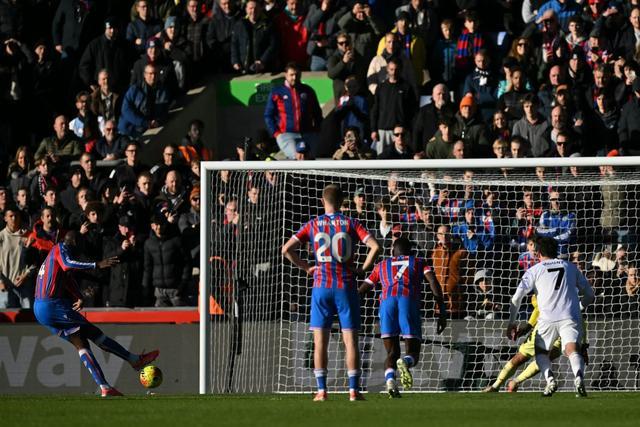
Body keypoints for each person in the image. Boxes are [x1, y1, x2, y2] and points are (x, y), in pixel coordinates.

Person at [281, 184, 380, 401]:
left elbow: (286, 249)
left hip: (321, 287)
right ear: (343, 202)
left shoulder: (313, 224)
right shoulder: (351, 223)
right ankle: (353, 391)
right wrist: (363, 269)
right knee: (351, 341)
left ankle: (321, 391)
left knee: (320, 342)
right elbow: (375, 247)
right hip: (346, 286)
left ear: (322, 201)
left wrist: (306, 268)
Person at [33, 231, 159, 397]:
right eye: (82, 243)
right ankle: (134, 360)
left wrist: (78, 295)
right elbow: (68, 265)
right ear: (75, 242)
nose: (83, 247)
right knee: (93, 332)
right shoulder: (61, 248)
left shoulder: (55, 254)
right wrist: (97, 264)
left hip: (40, 308)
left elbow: (66, 277)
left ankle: (105, 387)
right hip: (51, 305)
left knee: (81, 342)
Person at [359, 237, 447, 398]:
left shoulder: (381, 265)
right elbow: (433, 281)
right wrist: (441, 309)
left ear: (393, 250)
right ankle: (405, 362)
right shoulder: (418, 262)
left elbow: (364, 288)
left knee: (392, 352)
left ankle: (390, 381)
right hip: (408, 301)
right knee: (413, 352)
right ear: (411, 251)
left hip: (386, 304)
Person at [506, 237, 594, 397]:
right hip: (569, 316)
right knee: (572, 349)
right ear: (556, 251)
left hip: (546, 319)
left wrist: (512, 322)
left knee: (541, 353)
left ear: (538, 253)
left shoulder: (534, 270)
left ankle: (550, 379)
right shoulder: (570, 267)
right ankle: (579, 376)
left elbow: (516, 298)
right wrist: (578, 307)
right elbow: (590, 295)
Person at [264, 62, 323, 159]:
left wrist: (316, 129)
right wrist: (276, 133)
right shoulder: (277, 92)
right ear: (286, 75)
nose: (294, 78)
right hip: (286, 134)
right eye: (291, 75)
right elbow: (268, 115)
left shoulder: (308, 91)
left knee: (310, 159)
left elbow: (317, 112)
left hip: (308, 133)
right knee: (297, 158)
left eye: (297, 75)